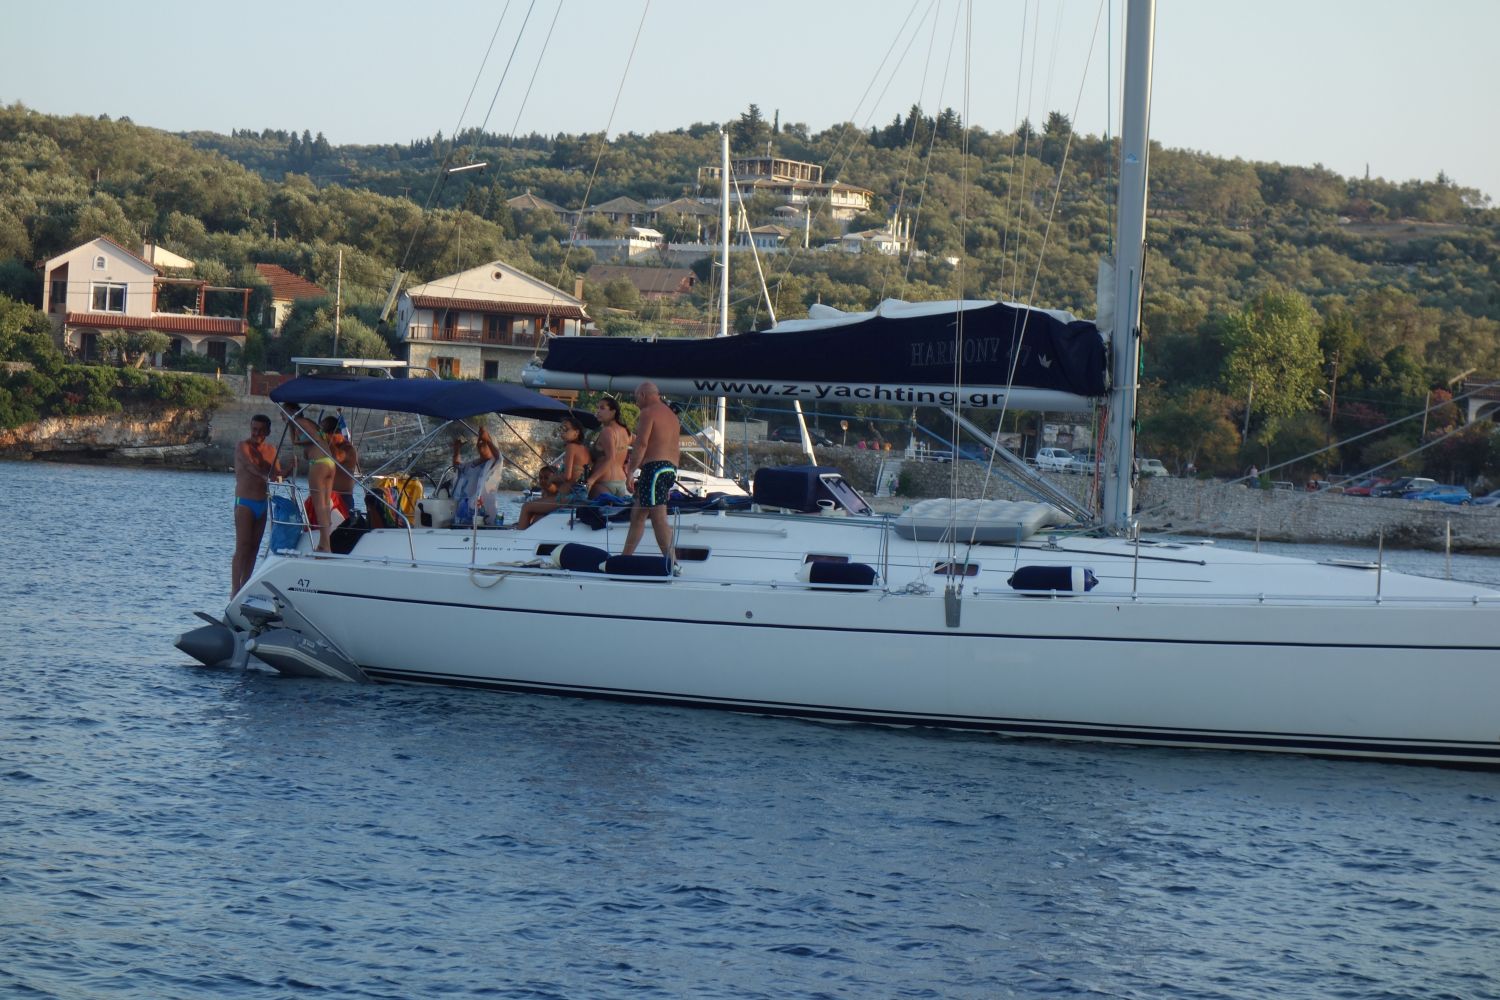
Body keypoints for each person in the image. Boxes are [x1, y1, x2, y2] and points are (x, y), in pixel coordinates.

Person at [621, 381, 680, 564]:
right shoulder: (672, 416)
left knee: (658, 518)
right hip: (670, 468)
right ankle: (625, 559)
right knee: (638, 514)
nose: (636, 403)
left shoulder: (648, 412)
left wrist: (630, 471)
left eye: (636, 398)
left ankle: (672, 564)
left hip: (655, 469)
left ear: (643, 395)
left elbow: (641, 444)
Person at [232, 414, 282, 593]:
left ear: (268, 431)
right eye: (254, 429)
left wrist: (289, 470)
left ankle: (245, 587)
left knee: (254, 548)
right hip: (245, 502)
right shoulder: (242, 446)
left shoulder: (271, 450)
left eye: (261, 430)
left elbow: (277, 474)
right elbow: (250, 466)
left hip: (262, 504)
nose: (257, 433)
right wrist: (264, 475)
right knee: (242, 546)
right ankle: (234, 590)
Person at [291, 407, 335, 552]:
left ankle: (325, 546)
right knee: (325, 505)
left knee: (320, 506)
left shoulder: (300, 422)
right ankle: (326, 543)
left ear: (290, 412)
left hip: (319, 464)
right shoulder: (308, 423)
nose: (282, 417)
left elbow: (314, 439)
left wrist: (297, 442)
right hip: (329, 462)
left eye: (283, 414)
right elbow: (311, 444)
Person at [586, 396, 631, 498]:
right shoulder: (626, 431)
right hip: (621, 482)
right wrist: (629, 468)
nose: (598, 411)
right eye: (597, 408)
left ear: (613, 412)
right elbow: (641, 445)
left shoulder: (607, 431)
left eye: (602, 408)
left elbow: (611, 458)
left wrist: (591, 480)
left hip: (603, 483)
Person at [321, 415, 359, 515]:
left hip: (343, 498)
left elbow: (337, 458)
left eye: (324, 433)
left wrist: (328, 440)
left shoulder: (348, 448)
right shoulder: (328, 448)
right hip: (327, 497)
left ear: (334, 433)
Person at [556, 415, 593, 504]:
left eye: (566, 429)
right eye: (561, 429)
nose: (562, 432)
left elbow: (567, 476)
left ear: (576, 432)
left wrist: (552, 478)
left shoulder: (571, 447)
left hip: (570, 495)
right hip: (582, 493)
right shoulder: (585, 449)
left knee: (528, 506)